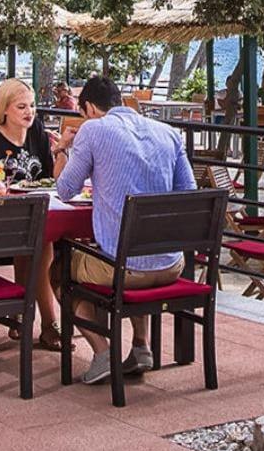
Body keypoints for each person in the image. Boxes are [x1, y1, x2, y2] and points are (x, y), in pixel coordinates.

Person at [54, 74, 196, 384]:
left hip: (125, 269)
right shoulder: (168, 133)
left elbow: (64, 190)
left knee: (60, 268)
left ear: (90, 108)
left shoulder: (93, 129)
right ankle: (141, 346)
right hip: (172, 263)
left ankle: (102, 353)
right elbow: (189, 194)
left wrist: (63, 149)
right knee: (132, 244)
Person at [0, 78, 66, 347]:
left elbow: (50, 178)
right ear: (4, 109)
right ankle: (48, 324)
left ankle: (22, 313)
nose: (30, 112)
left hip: (33, 213)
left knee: (38, 235)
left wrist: (62, 150)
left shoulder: (37, 131)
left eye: (32, 106)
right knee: (41, 239)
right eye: (22, 106)